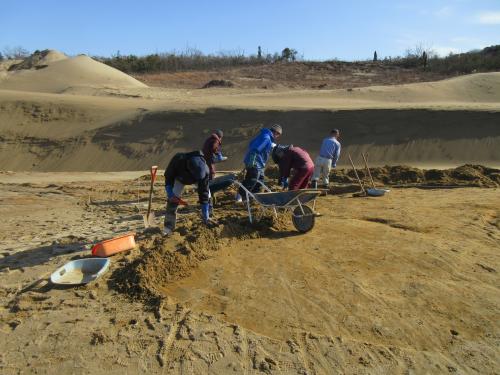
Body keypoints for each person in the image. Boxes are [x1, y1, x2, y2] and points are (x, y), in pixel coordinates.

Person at [163, 150, 212, 236]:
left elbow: (203, 191)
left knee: (207, 194)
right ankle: (168, 228)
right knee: (172, 201)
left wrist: (204, 208)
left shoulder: (205, 172)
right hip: (179, 179)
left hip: (199, 179)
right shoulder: (178, 160)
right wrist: (170, 193)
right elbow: (168, 177)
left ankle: (208, 217)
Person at [236, 124, 282, 201]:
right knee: (252, 179)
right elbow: (255, 149)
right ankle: (240, 196)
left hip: (259, 163)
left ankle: (253, 196)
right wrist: (252, 160)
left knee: (260, 180)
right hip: (255, 162)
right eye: (278, 135)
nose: (277, 137)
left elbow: (251, 143)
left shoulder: (264, 136)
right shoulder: (266, 138)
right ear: (276, 133)